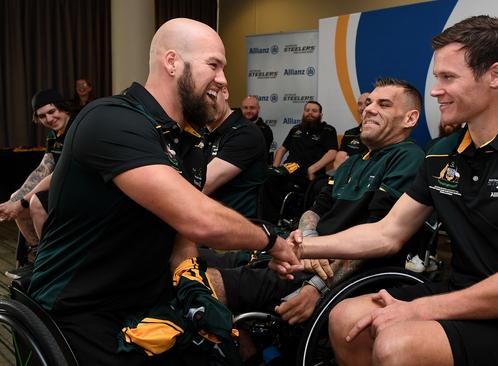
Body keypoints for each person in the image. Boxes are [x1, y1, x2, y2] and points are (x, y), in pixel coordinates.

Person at [275, 15, 498, 366]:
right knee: (343, 317)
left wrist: (418, 309)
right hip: (463, 289)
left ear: (494, 76)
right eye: (436, 77)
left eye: (448, 77)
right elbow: (388, 232)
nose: (434, 90)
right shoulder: (442, 152)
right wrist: (299, 247)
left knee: (396, 343)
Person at [26, 18, 299, 365]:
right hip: (78, 311)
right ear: (172, 62)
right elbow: (197, 218)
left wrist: (189, 280)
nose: (223, 79)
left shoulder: (186, 141)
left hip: (140, 300)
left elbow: (181, 231)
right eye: (213, 65)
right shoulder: (111, 120)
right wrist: (271, 240)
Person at [203, 77, 425, 328]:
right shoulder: (352, 162)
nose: (369, 109)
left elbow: (374, 238)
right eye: (369, 102)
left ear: (409, 119)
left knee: (208, 283)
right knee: (197, 260)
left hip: (334, 276)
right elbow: (314, 210)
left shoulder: (408, 158)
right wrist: (309, 238)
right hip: (305, 255)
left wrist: (315, 287)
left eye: (384, 104)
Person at [0, 89, 74, 277]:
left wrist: (22, 201)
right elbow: (43, 169)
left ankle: (51, 261)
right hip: (61, 183)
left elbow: (58, 173)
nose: (49, 119)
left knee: (35, 202)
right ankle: (38, 254)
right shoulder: (53, 135)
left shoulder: (76, 127)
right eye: (42, 116)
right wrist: (14, 200)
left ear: (63, 108)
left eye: (52, 111)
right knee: (16, 198)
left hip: (84, 185)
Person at [261, 101, 338, 223]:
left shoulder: (328, 130)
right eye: (307, 110)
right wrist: (275, 166)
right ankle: (271, 219)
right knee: (266, 178)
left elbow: (333, 152)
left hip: (311, 173)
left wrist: (312, 169)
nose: (310, 113)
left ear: (321, 115)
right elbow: (282, 149)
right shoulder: (296, 129)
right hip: (289, 169)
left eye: (314, 111)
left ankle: (286, 216)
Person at [203, 86, 267, 218]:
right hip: (205, 220)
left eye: (210, 95)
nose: (205, 103)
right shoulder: (201, 132)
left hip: (236, 228)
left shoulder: (246, 133)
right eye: (197, 99)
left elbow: (200, 185)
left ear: (225, 92)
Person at [333, 92, 370, 169]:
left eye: (367, 104)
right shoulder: (349, 134)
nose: (363, 108)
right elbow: (338, 163)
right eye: (360, 104)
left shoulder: (383, 134)